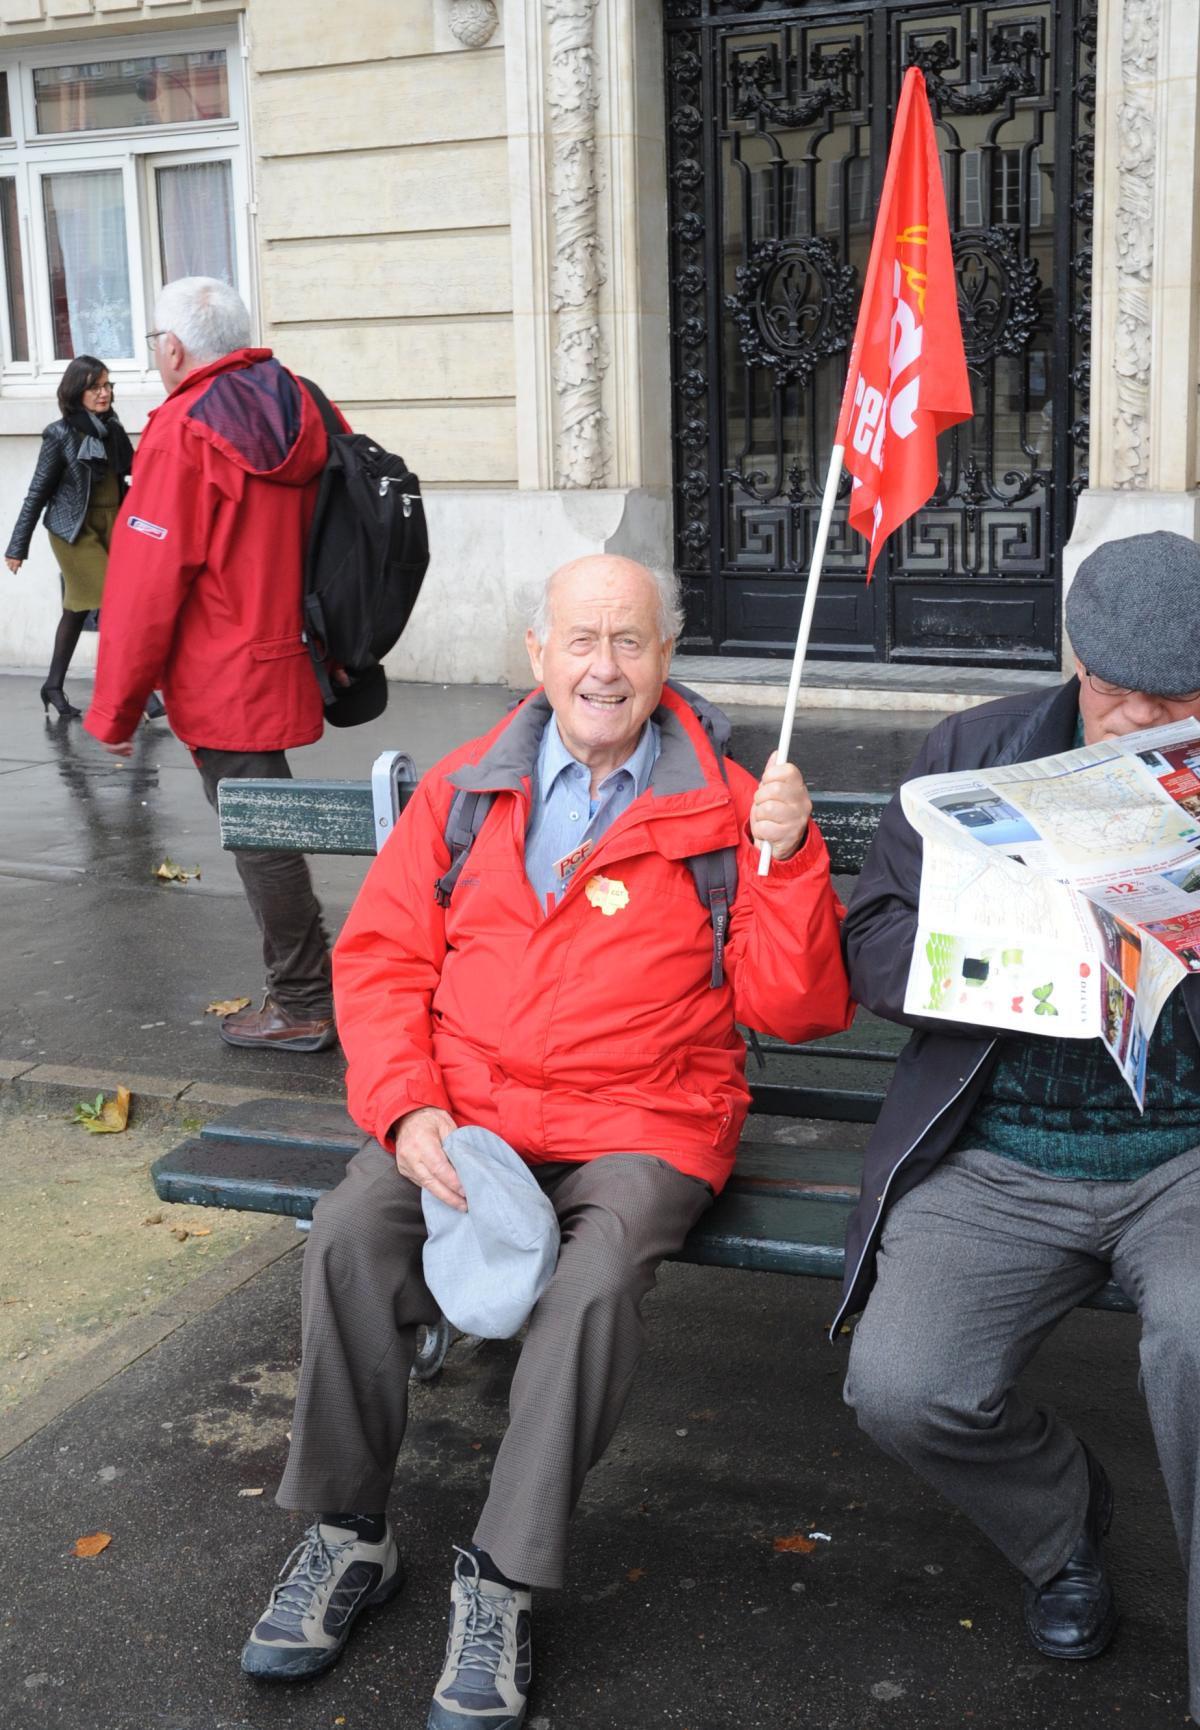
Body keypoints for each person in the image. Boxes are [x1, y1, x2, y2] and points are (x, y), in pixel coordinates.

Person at [240, 553, 853, 1728]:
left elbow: (795, 1008)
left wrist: (787, 855)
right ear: (539, 654)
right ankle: (348, 1534)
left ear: (666, 657)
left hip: (647, 1115)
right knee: (350, 1229)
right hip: (467, 1114)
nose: (604, 667)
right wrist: (410, 1105)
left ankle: (503, 1574)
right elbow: (380, 961)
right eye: (582, 640)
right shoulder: (466, 789)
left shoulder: (729, 802)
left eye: (630, 640)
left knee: (594, 1283)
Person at [838, 529, 1200, 1724]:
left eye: (1174, 701)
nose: (1138, 721)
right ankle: (1063, 1526)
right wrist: (990, 965)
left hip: (1184, 1153)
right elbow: (876, 937)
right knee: (903, 1383)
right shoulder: (975, 752)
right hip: (1003, 1149)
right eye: (1113, 693)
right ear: (1074, 662)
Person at [83, 276, 339, 1053]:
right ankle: (304, 991)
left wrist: (115, 710)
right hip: (292, 650)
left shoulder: (181, 428)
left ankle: (301, 1001)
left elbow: (143, 587)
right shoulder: (304, 402)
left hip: (224, 673)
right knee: (269, 829)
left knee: (259, 838)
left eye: (155, 344)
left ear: (174, 347)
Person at [6, 355, 135, 719]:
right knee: (115, 603)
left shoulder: (113, 428)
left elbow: (131, 473)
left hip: (112, 525)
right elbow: (37, 493)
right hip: (73, 531)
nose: (103, 393)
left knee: (77, 610)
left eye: (107, 385)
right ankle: (132, 692)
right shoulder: (60, 434)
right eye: (95, 387)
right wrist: (18, 546)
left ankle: (52, 685)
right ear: (77, 391)